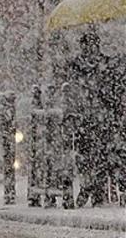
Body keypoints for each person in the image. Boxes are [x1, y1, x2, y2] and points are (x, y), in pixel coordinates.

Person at [67, 29, 110, 207]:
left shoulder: (103, 64)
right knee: (87, 155)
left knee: (97, 155)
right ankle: (91, 187)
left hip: (96, 117)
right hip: (88, 117)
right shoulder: (78, 65)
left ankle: (93, 188)